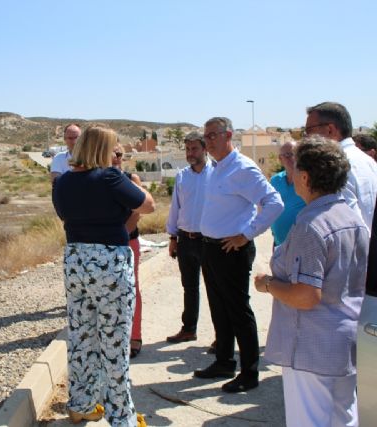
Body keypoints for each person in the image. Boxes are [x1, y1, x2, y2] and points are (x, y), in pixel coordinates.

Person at [254, 136, 368, 426]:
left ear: (304, 176)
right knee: (343, 417)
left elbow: (306, 296)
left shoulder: (310, 225)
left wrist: (267, 283)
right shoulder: (352, 219)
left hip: (311, 347)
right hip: (346, 343)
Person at [52, 124, 154, 427]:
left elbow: (63, 215)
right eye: (113, 147)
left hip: (76, 261)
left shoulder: (63, 182)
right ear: (101, 149)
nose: (115, 153)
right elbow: (147, 205)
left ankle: (81, 404)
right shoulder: (110, 177)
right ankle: (122, 417)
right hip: (109, 263)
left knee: (82, 335)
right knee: (114, 342)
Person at [194, 117, 283, 393]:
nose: (207, 141)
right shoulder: (215, 168)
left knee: (238, 310)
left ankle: (249, 372)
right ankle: (223, 361)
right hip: (210, 247)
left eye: (212, 136)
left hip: (231, 250)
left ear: (228, 135)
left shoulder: (243, 168)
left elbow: (273, 203)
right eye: (205, 136)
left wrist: (246, 234)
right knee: (219, 308)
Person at [165, 131, 214, 345]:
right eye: (187, 149)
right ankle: (189, 329)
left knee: (215, 288)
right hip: (186, 240)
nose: (190, 153)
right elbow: (176, 207)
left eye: (194, 148)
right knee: (190, 287)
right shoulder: (182, 176)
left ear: (205, 149)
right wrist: (172, 237)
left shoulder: (216, 174)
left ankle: (221, 336)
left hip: (210, 241)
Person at [304, 102, 377, 229]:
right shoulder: (368, 161)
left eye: (309, 130)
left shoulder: (335, 166)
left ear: (330, 130)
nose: (306, 138)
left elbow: (350, 224)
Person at [111, 143, 144, 358]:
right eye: (111, 154)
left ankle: (135, 335)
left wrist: (121, 235)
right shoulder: (101, 180)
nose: (116, 158)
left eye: (119, 154)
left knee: (132, 288)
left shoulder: (131, 179)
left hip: (127, 241)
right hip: (106, 244)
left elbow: (138, 211)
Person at [269, 141, 306, 247]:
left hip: (301, 244)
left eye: (294, 153)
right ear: (280, 159)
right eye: (287, 155)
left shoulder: (308, 180)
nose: (292, 158)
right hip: (278, 243)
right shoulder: (275, 181)